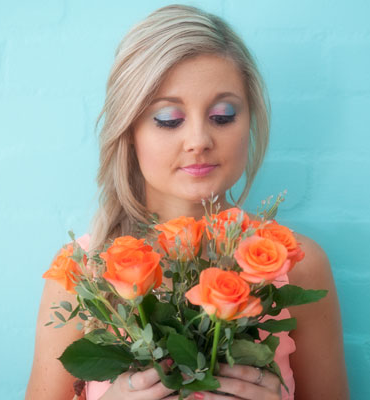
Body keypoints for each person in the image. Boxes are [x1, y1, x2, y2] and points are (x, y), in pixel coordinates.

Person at [26, 4, 349, 400]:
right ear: (129, 130)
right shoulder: (80, 276)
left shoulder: (298, 265)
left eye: (222, 115)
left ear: (249, 121)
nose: (198, 140)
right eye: (168, 119)